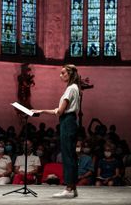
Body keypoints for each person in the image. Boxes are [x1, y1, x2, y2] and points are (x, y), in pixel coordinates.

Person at [32, 64, 81, 198]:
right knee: (70, 154)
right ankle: (73, 187)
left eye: (63, 73)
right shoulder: (75, 88)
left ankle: (69, 188)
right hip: (69, 121)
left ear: (69, 74)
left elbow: (59, 111)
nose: (60, 75)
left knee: (67, 155)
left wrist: (41, 111)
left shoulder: (71, 88)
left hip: (67, 121)